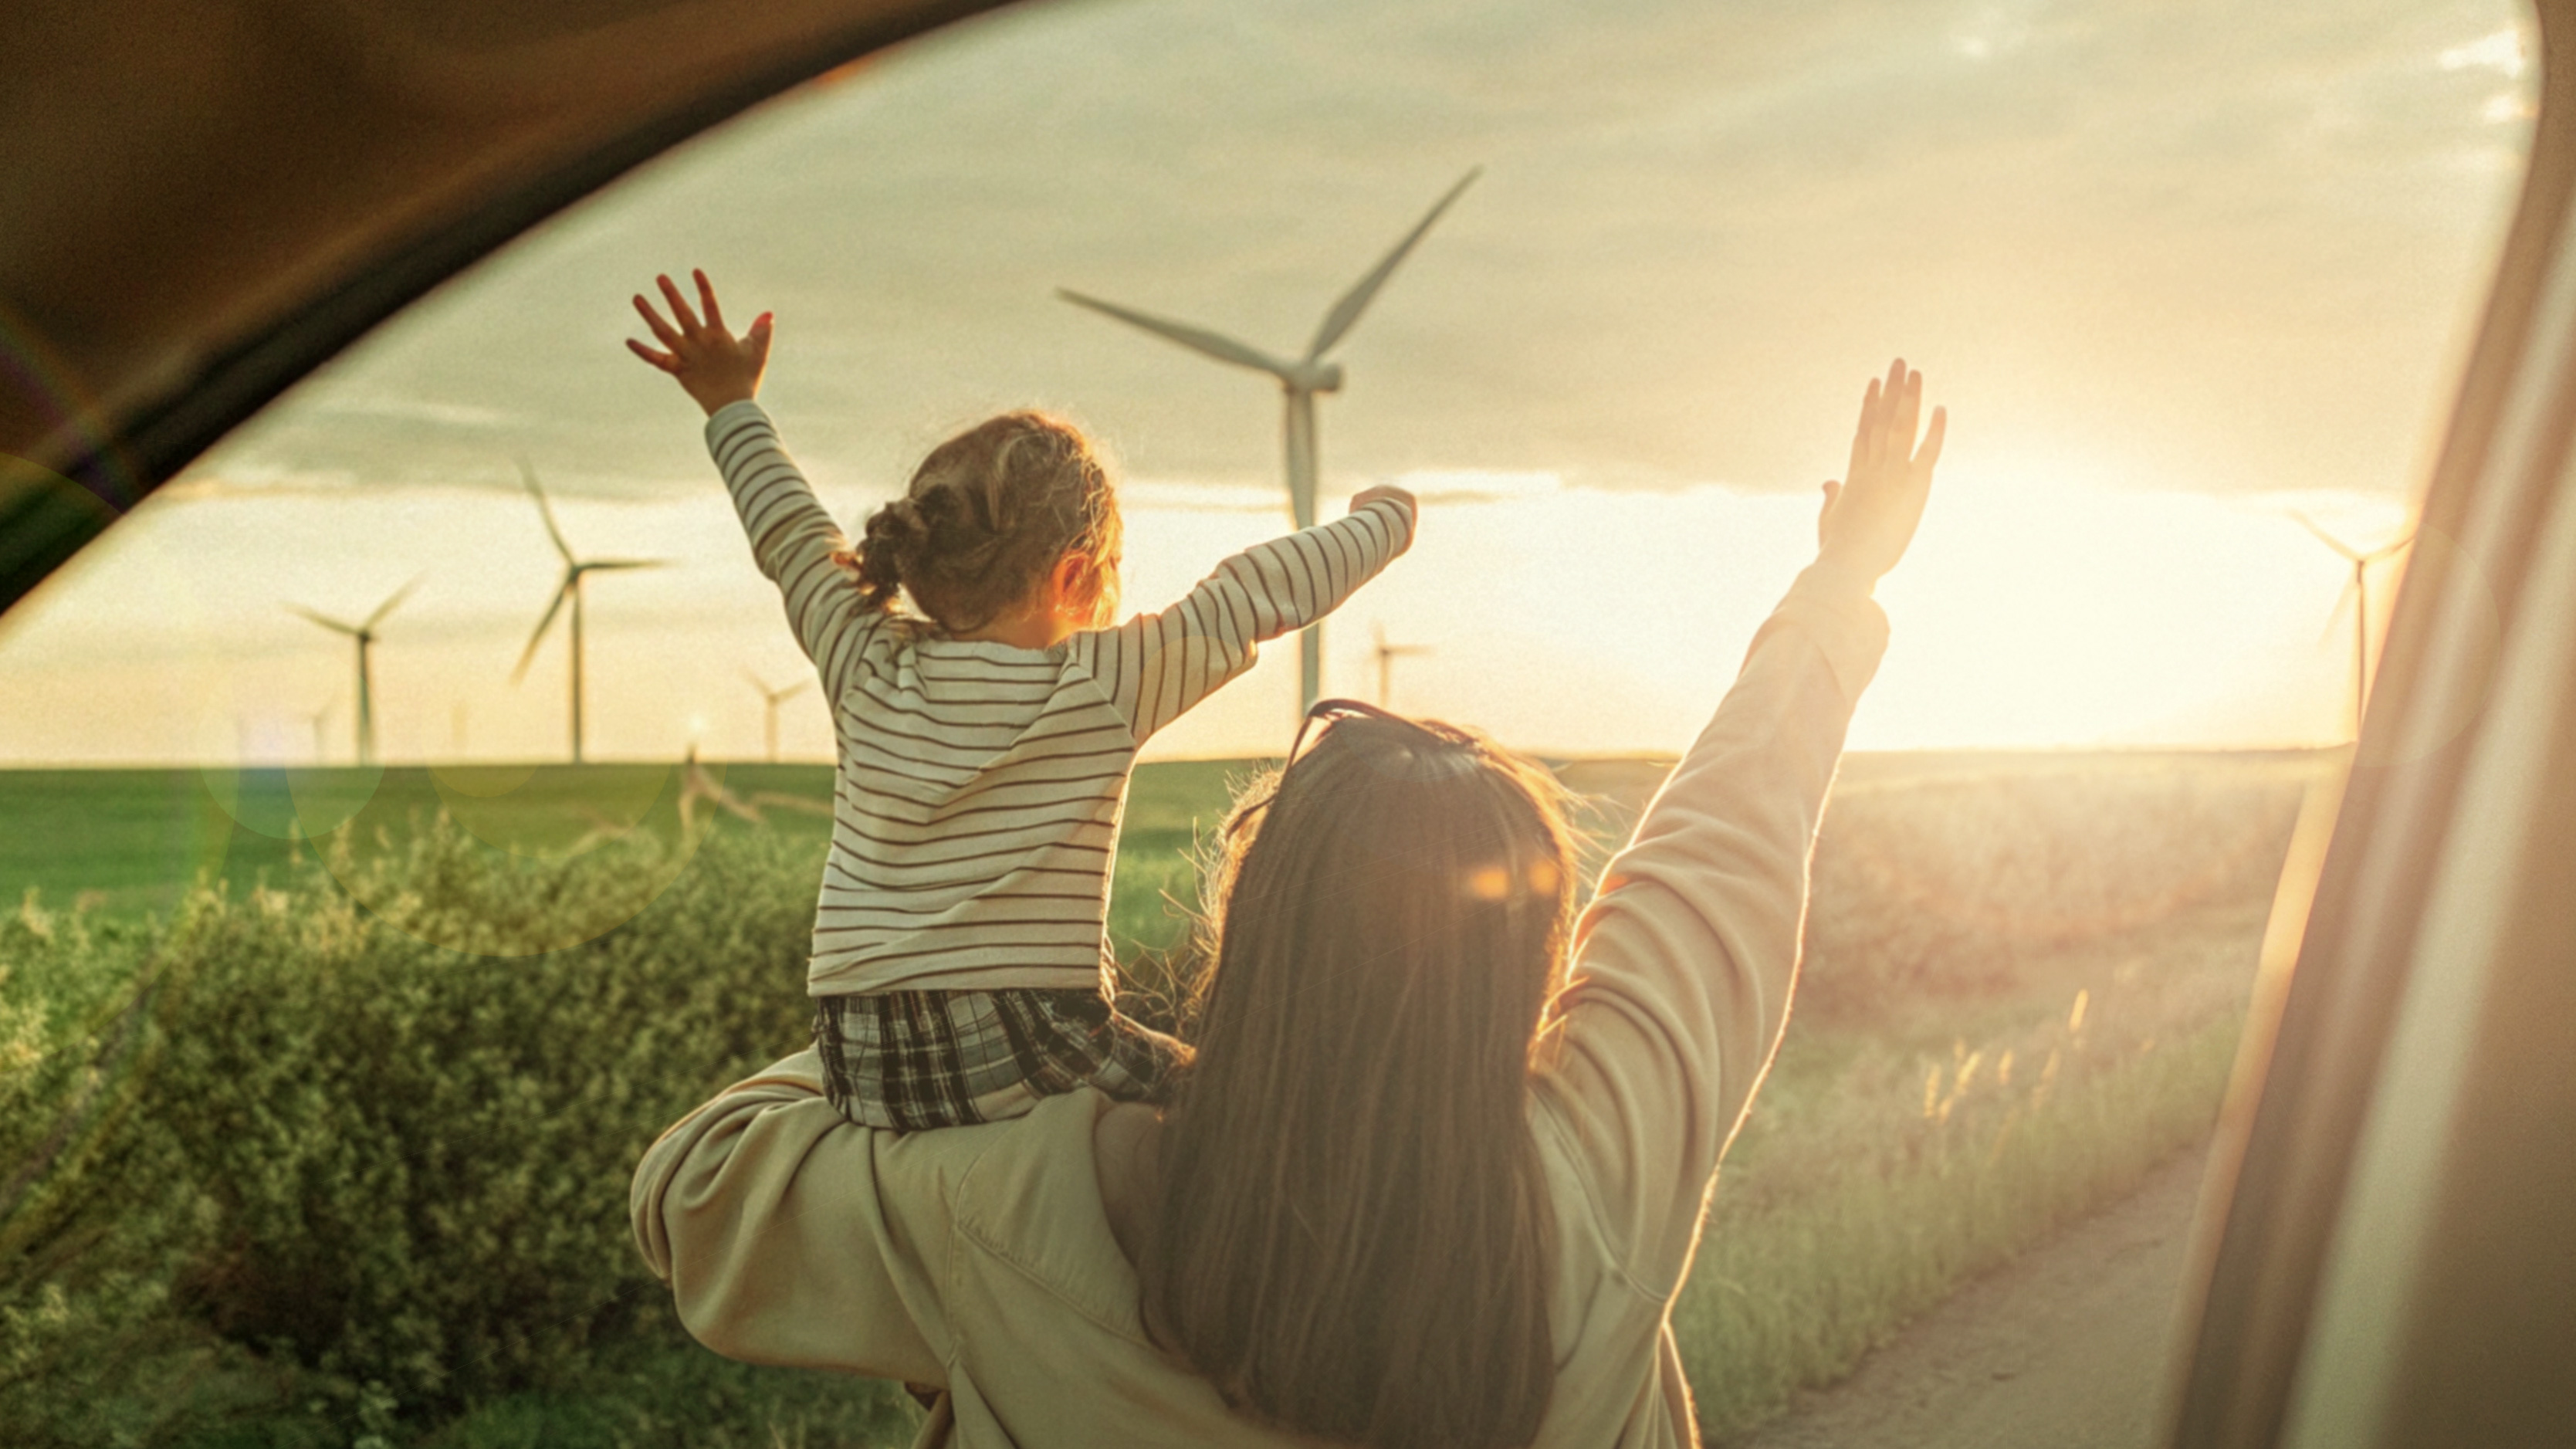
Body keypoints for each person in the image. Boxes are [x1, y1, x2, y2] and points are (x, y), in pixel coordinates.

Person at [632, 358, 1945, 1448]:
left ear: (1251, 934)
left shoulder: (1012, 1193)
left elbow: (689, 1197)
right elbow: (1726, 846)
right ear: (1533, 952)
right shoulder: (1608, 1153)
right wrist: (1840, 584)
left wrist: (901, 988)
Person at [626, 270, 1417, 1131]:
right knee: (1222, 1101)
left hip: (857, 1050)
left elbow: (790, 534)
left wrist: (731, 403)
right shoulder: (1103, 681)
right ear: (1073, 577)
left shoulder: (861, 657)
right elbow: (1255, 593)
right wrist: (1385, 522)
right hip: (1028, 1041)